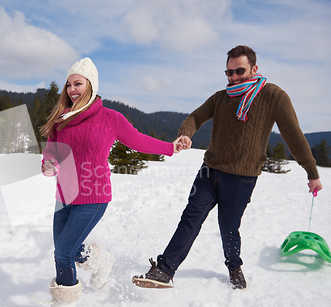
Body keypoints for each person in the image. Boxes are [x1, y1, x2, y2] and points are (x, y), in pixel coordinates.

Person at [132, 45, 323, 290]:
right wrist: (185, 134)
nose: (233, 78)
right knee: (190, 218)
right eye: (228, 73)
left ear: (254, 68)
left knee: (229, 228)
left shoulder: (274, 96)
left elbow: (294, 136)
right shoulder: (221, 97)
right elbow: (195, 117)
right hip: (210, 171)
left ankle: (234, 266)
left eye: (239, 71)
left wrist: (312, 173)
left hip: (242, 179)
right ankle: (164, 269)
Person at [35, 57, 182, 307]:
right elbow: (52, 150)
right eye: (68, 85)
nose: (72, 89)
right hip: (64, 194)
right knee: (68, 250)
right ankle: (99, 258)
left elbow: (139, 140)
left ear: (90, 85)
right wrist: (48, 161)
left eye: (77, 83)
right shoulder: (61, 120)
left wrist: (170, 148)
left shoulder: (110, 118)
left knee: (63, 252)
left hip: (93, 195)